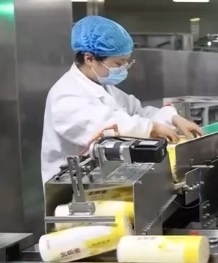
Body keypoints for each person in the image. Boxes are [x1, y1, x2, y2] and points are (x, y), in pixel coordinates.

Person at [40, 16, 204, 182]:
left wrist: (173, 118)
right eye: (118, 64)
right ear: (89, 59)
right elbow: (105, 126)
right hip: (73, 186)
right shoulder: (66, 94)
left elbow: (138, 112)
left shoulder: (104, 87)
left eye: (126, 63)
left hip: (104, 178)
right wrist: (151, 128)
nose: (123, 69)